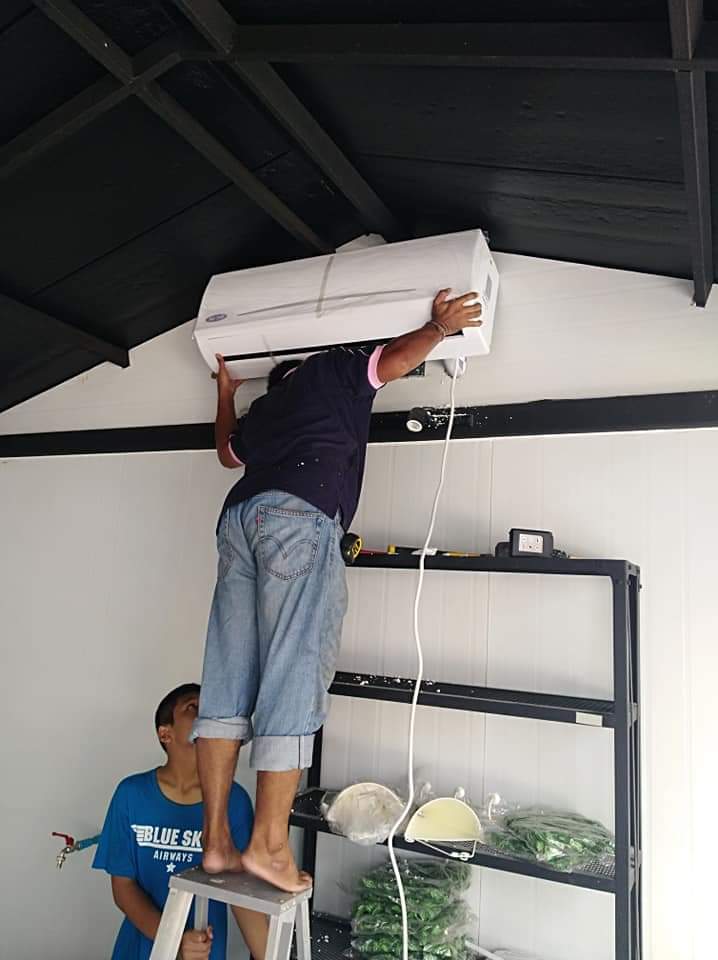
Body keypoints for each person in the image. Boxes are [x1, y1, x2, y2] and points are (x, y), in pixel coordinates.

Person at [191, 289, 483, 892]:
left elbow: (225, 453)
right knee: (293, 669)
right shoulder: (332, 369)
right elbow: (393, 361)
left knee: (227, 676)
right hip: (299, 518)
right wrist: (439, 326)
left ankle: (216, 842)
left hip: (239, 521)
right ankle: (268, 846)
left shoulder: (266, 412)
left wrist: (225, 395)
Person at [93, 683, 268, 960]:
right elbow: (123, 888)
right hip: (141, 950)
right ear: (166, 733)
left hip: (204, 952)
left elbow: (242, 893)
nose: (205, 716)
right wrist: (172, 938)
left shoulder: (234, 801)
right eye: (193, 707)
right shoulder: (131, 794)